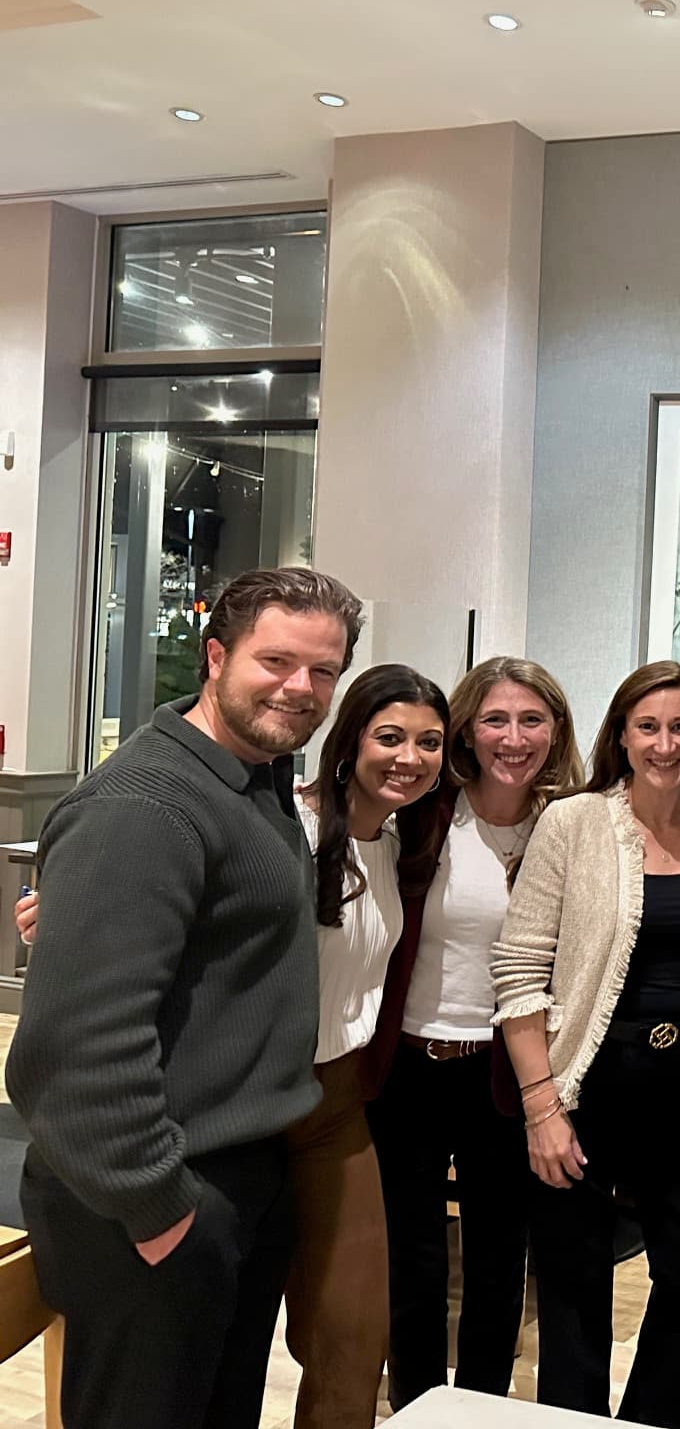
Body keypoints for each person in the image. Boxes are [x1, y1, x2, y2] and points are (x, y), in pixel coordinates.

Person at [5, 566, 362, 1429]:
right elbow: (76, 1049)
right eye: (276, 661)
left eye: (323, 671)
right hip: (153, 1198)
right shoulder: (147, 802)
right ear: (214, 656)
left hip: (233, 1172)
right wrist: (162, 1209)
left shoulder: (253, 780)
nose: (301, 687)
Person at [493, 660, 680, 1427]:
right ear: (622, 737)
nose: (665, 744)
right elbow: (519, 969)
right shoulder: (573, 823)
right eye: (648, 727)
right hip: (587, 1092)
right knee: (573, 1289)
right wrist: (542, 1107)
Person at [366, 656, 583, 1410]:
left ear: (556, 731)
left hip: (506, 1072)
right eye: (495, 719)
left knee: (499, 1262)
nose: (513, 738)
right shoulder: (423, 811)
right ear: (466, 729)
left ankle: (482, 1408)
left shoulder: (573, 826)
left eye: (531, 720)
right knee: (411, 1260)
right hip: (408, 1067)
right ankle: (420, 1408)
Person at [287, 663, 450, 1429]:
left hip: (339, 1103)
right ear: (351, 739)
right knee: (224, 1317)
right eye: (391, 737)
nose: (409, 758)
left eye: (428, 742)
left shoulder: (398, 844)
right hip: (251, 1102)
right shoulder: (285, 825)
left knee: (354, 1332)